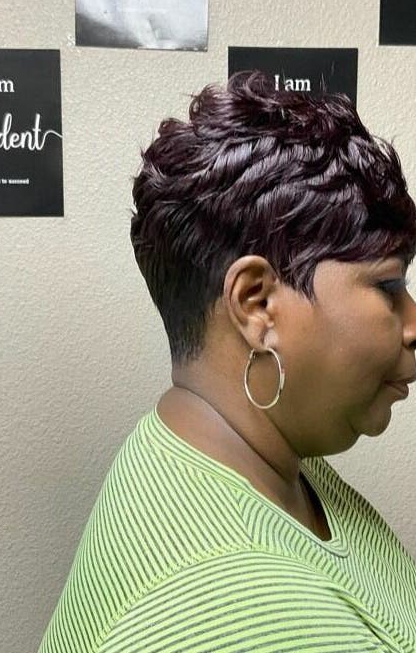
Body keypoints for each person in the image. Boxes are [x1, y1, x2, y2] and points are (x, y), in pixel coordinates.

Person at [40, 73, 416, 652]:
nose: (413, 322)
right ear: (256, 303)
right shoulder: (236, 608)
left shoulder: (229, 449)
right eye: (389, 287)